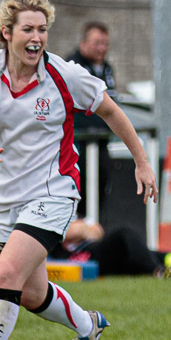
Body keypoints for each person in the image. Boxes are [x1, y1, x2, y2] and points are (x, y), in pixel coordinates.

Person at [0, 0, 156, 340]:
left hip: (54, 193)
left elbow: (110, 110)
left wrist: (141, 161)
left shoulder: (64, 74)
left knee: (4, 275)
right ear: (6, 33)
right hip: (5, 201)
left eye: (43, 29)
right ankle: (89, 325)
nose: (36, 37)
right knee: (33, 294)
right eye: (28, 29)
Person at [51, 219, 171, 278]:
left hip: (103, 254)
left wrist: (80, 230)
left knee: (159, 255)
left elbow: (95, 230)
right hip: (93, 259)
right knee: (124, 233)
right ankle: (157, 271)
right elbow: (66, 233)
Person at [67, 21, 116, 219]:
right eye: (97, 43)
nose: (101, 48)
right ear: (83, 43)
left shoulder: (107, 68)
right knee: (81, 191)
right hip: (79, 143)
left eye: (104, 44)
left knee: (102, 186)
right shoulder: (73, 67)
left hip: (101, 142)